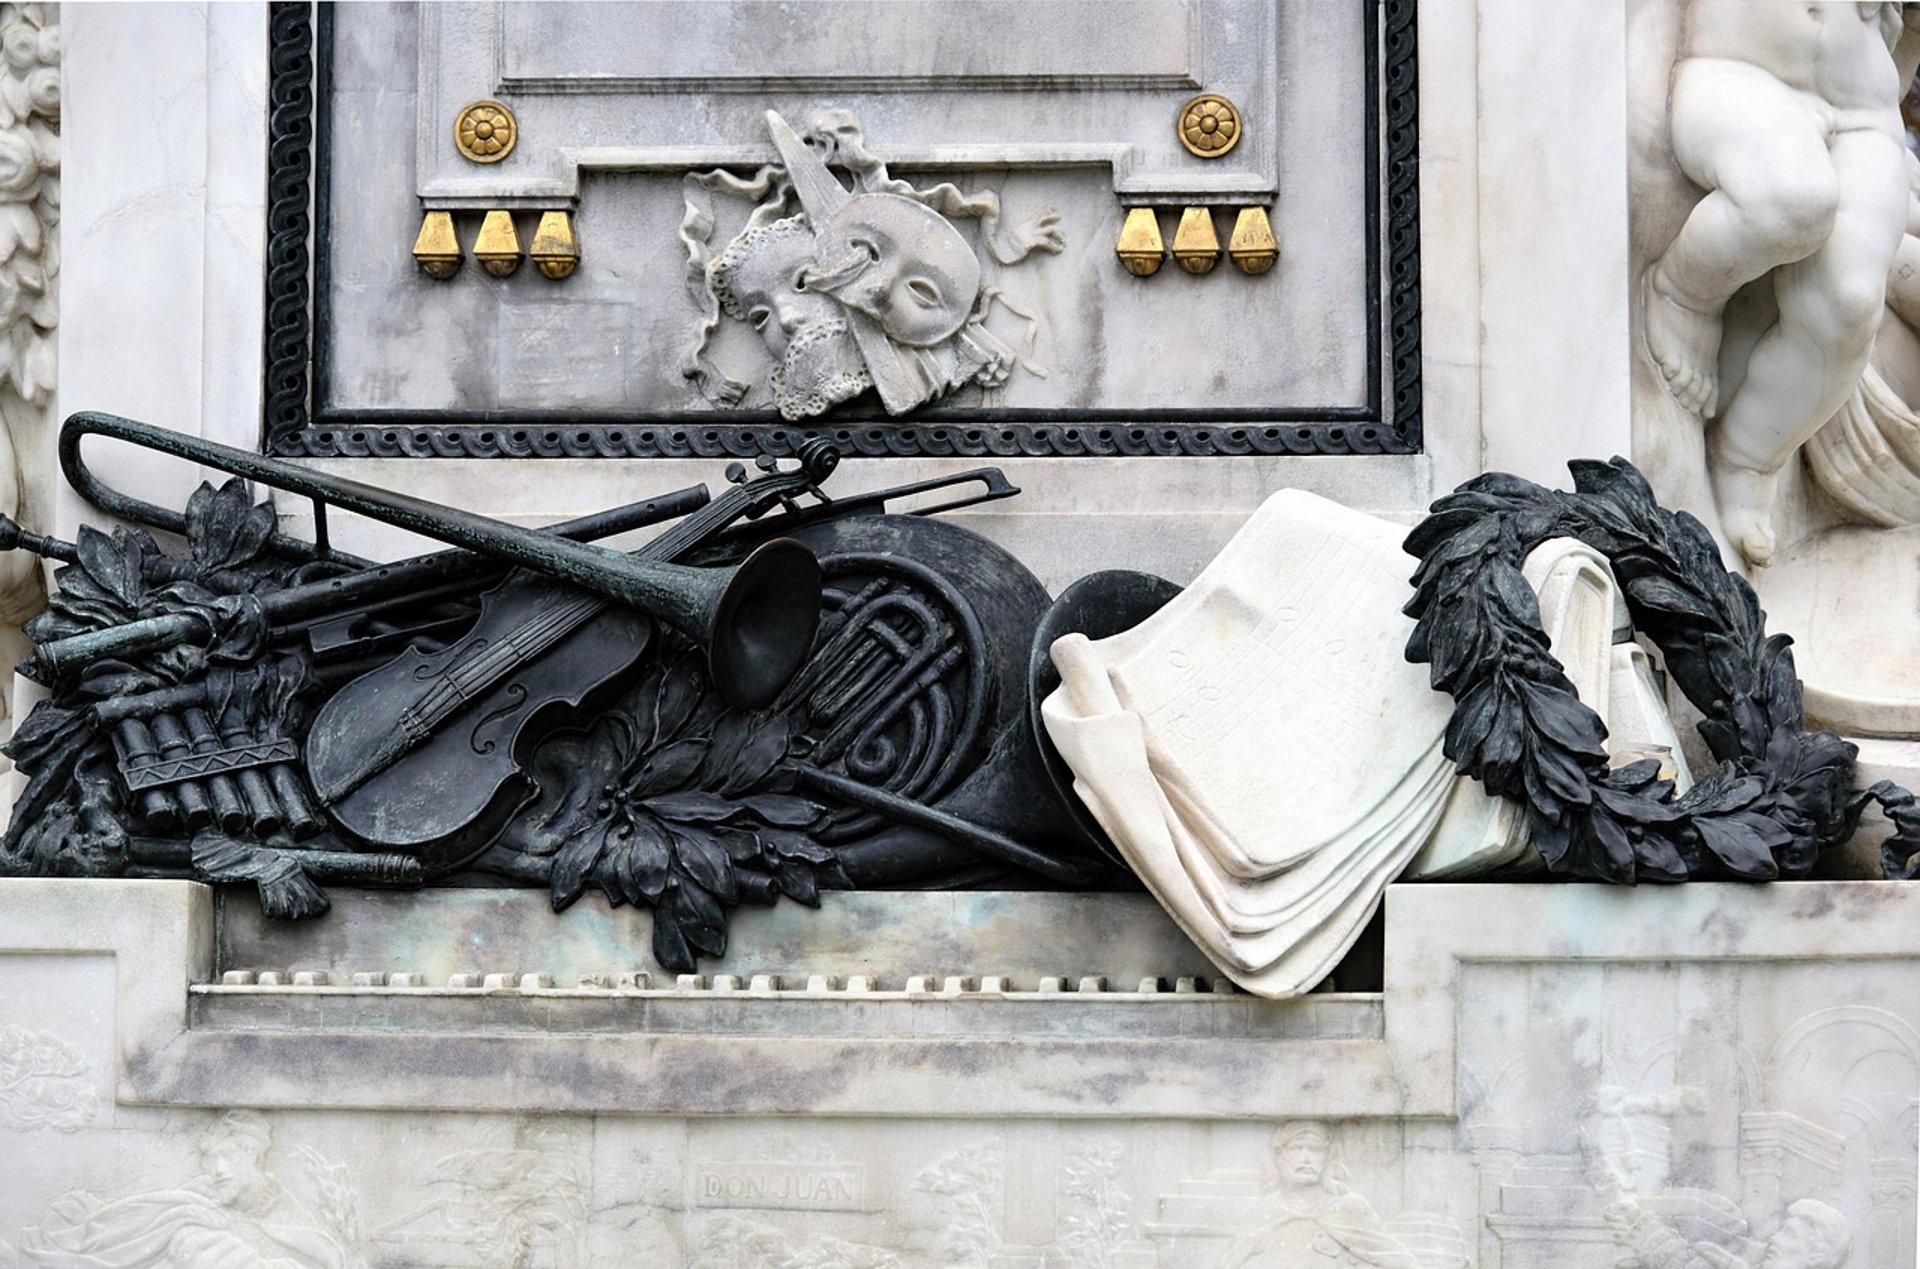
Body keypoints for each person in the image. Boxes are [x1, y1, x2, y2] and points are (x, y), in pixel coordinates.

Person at [1643, 0, 1920, 565]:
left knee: (1848, 304)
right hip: (1735, 73)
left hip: (1864, 110)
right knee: (1790, 199)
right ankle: (1682, 294)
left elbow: (1905, 42)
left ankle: (1748, 455)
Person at [1216, 1121, 1419, 1268]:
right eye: (1296, 1148)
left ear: (1327, 1158)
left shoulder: (1349, 1207)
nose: (1306, 1158)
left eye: (1315, 1150)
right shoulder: (1264, 1212)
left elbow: (1401, 1261)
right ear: (1279, 1156)